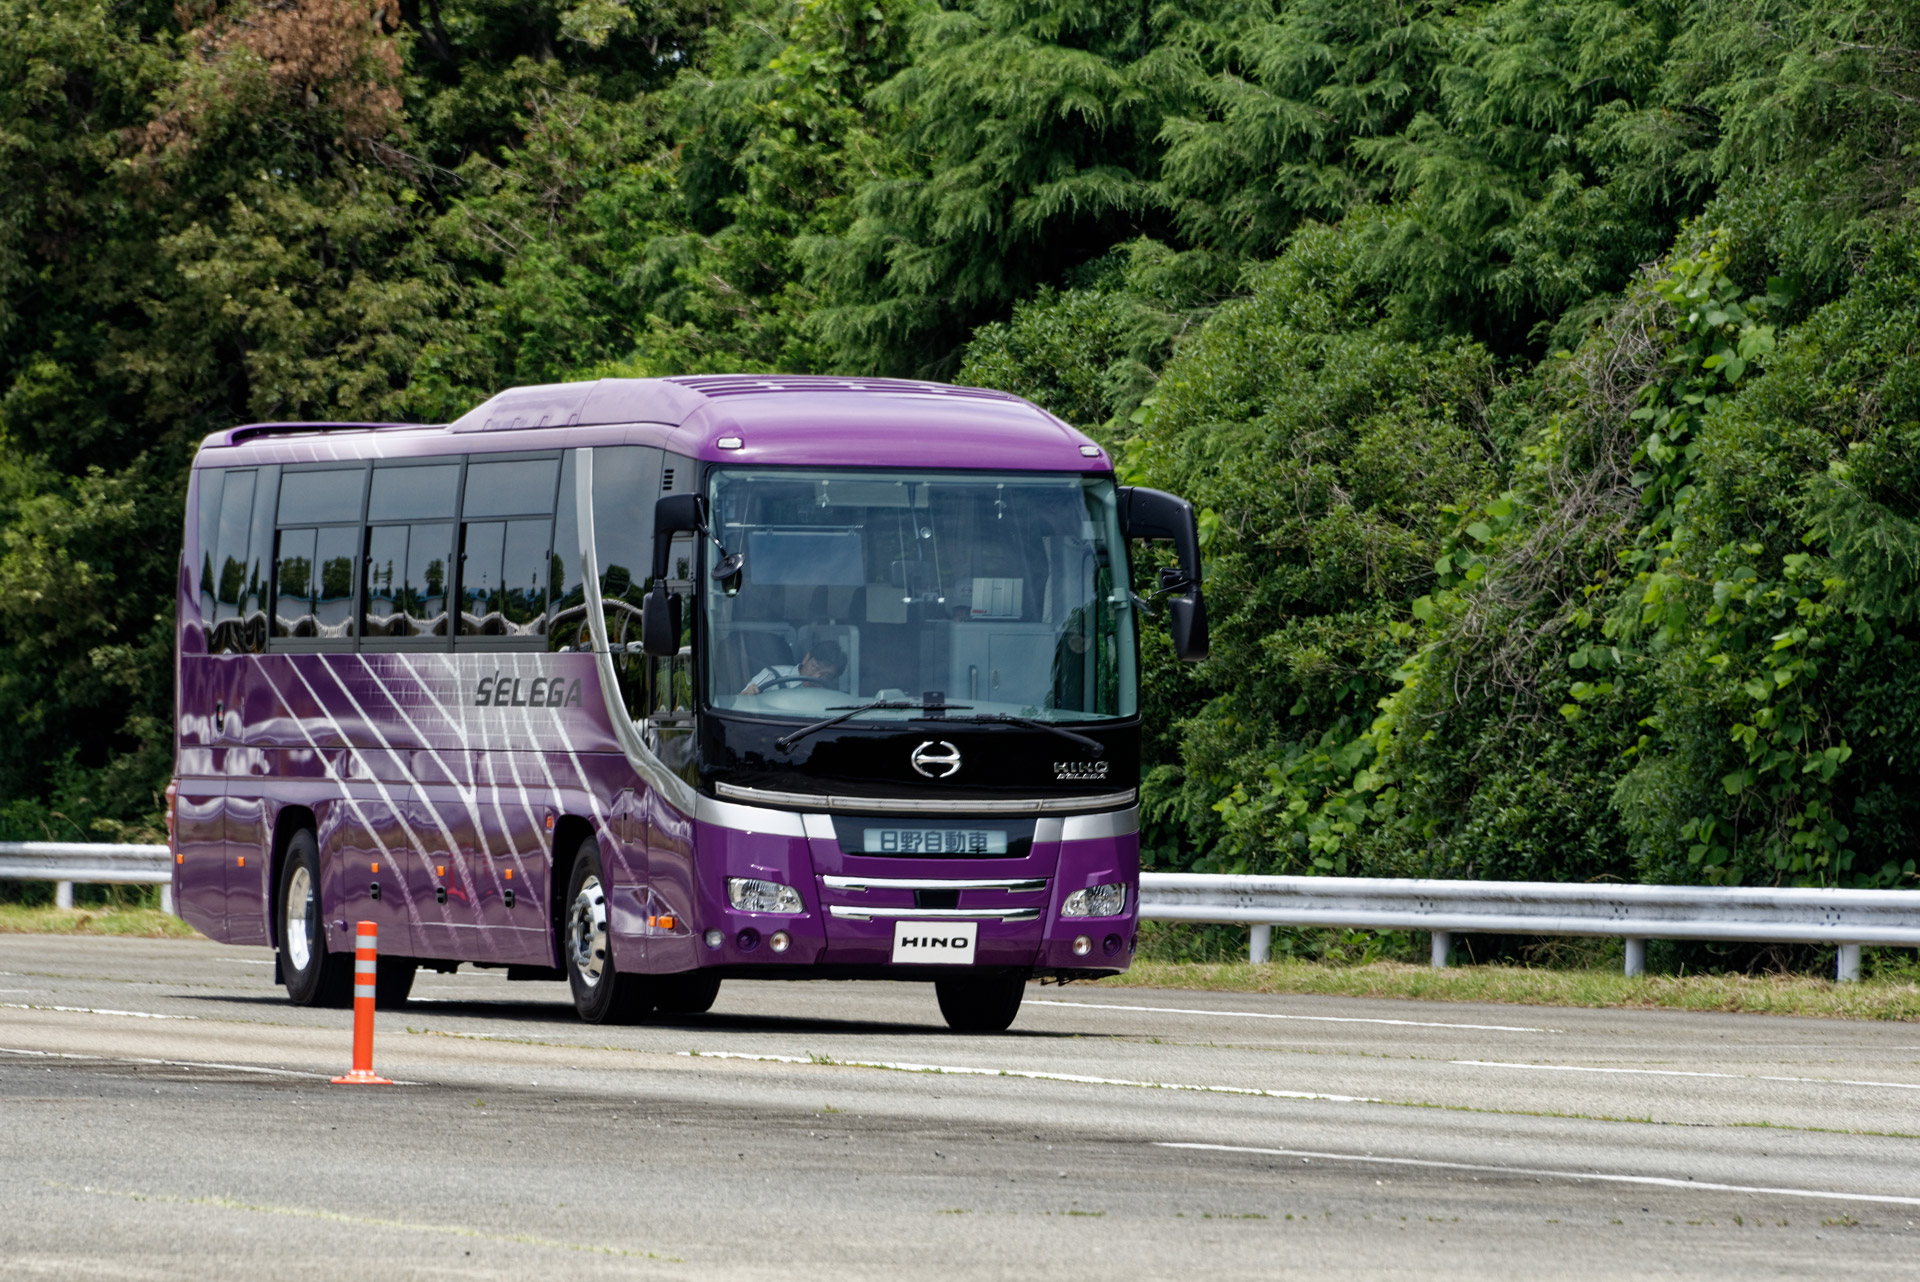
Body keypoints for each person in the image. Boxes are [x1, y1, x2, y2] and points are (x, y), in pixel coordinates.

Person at [742, 638, 846, 695]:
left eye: (826, 676)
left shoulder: (828, 696)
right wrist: (748, 695)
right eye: (815, 667)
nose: (816, 677)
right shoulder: (773, 675)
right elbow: (739, 701)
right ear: (806, 658)